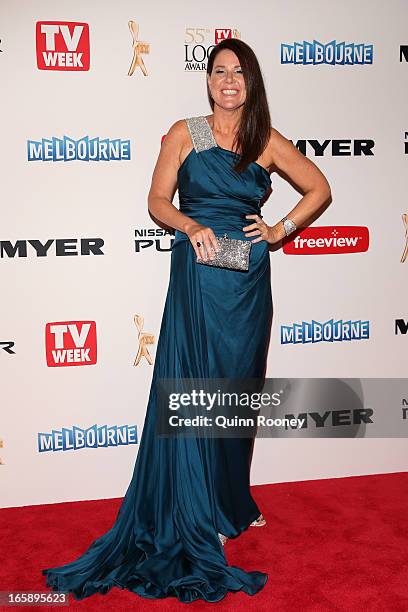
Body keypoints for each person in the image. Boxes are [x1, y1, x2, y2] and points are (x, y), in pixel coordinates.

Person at [42, 38, 331, 604]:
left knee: (236, 392)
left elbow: (319, 188)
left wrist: (279, 230)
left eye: (239, 73)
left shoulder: (265, 141)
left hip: (246, 283)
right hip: (197, 277)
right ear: (207, 81)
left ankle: (227, 503)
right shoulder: (184, 132)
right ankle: (195, 512)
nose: (229, 81)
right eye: (220, 71)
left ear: (252, 83)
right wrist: (190, 227)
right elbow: (156, 200)